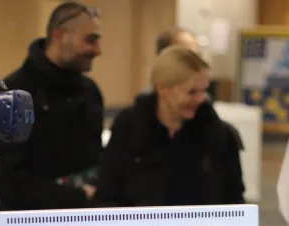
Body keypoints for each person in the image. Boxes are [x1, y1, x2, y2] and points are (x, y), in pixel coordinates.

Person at [94, 45, 245, 208]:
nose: (201, 99)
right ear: (162, 88)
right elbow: (107, 193)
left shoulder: (219, 135)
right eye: (192, 92)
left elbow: (235, 201)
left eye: (204, 91)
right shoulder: (129, 128)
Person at [0, 1, 104, 211]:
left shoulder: (90, 92)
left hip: (84, 225)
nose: (98, 50)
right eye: (90, 40)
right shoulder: (14, 94)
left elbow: (97, 164)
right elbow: (9, 179)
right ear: (60, 36)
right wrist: (74, 196)